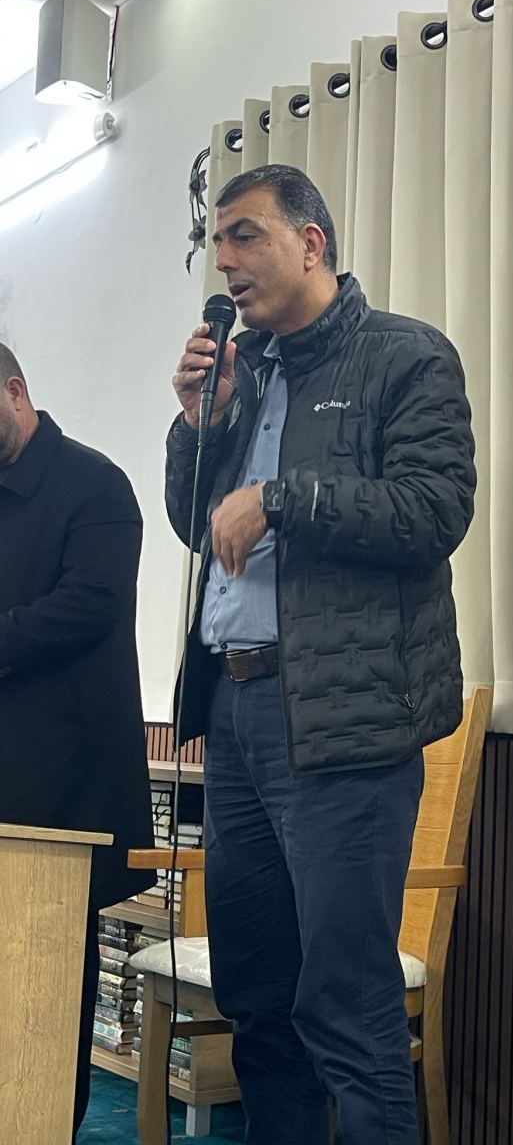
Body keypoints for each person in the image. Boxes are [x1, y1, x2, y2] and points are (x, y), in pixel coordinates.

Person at [165, 163, 475, 1144]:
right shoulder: (244, 372)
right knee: (258, 1000)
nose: (226, 260)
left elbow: (434, 510)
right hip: (236, 717)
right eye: (219, 242)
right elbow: (196, 523)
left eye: (246, 235)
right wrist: (200, 425)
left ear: (312, 243)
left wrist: (282, 498)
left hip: (345, 722)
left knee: (346, 1008)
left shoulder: (405, 357)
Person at [0, 342, 155, 1139]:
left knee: (47, 991)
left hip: (61, 791)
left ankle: (47, 1127)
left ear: (14, 391)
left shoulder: (95, 485)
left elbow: (88, 606)